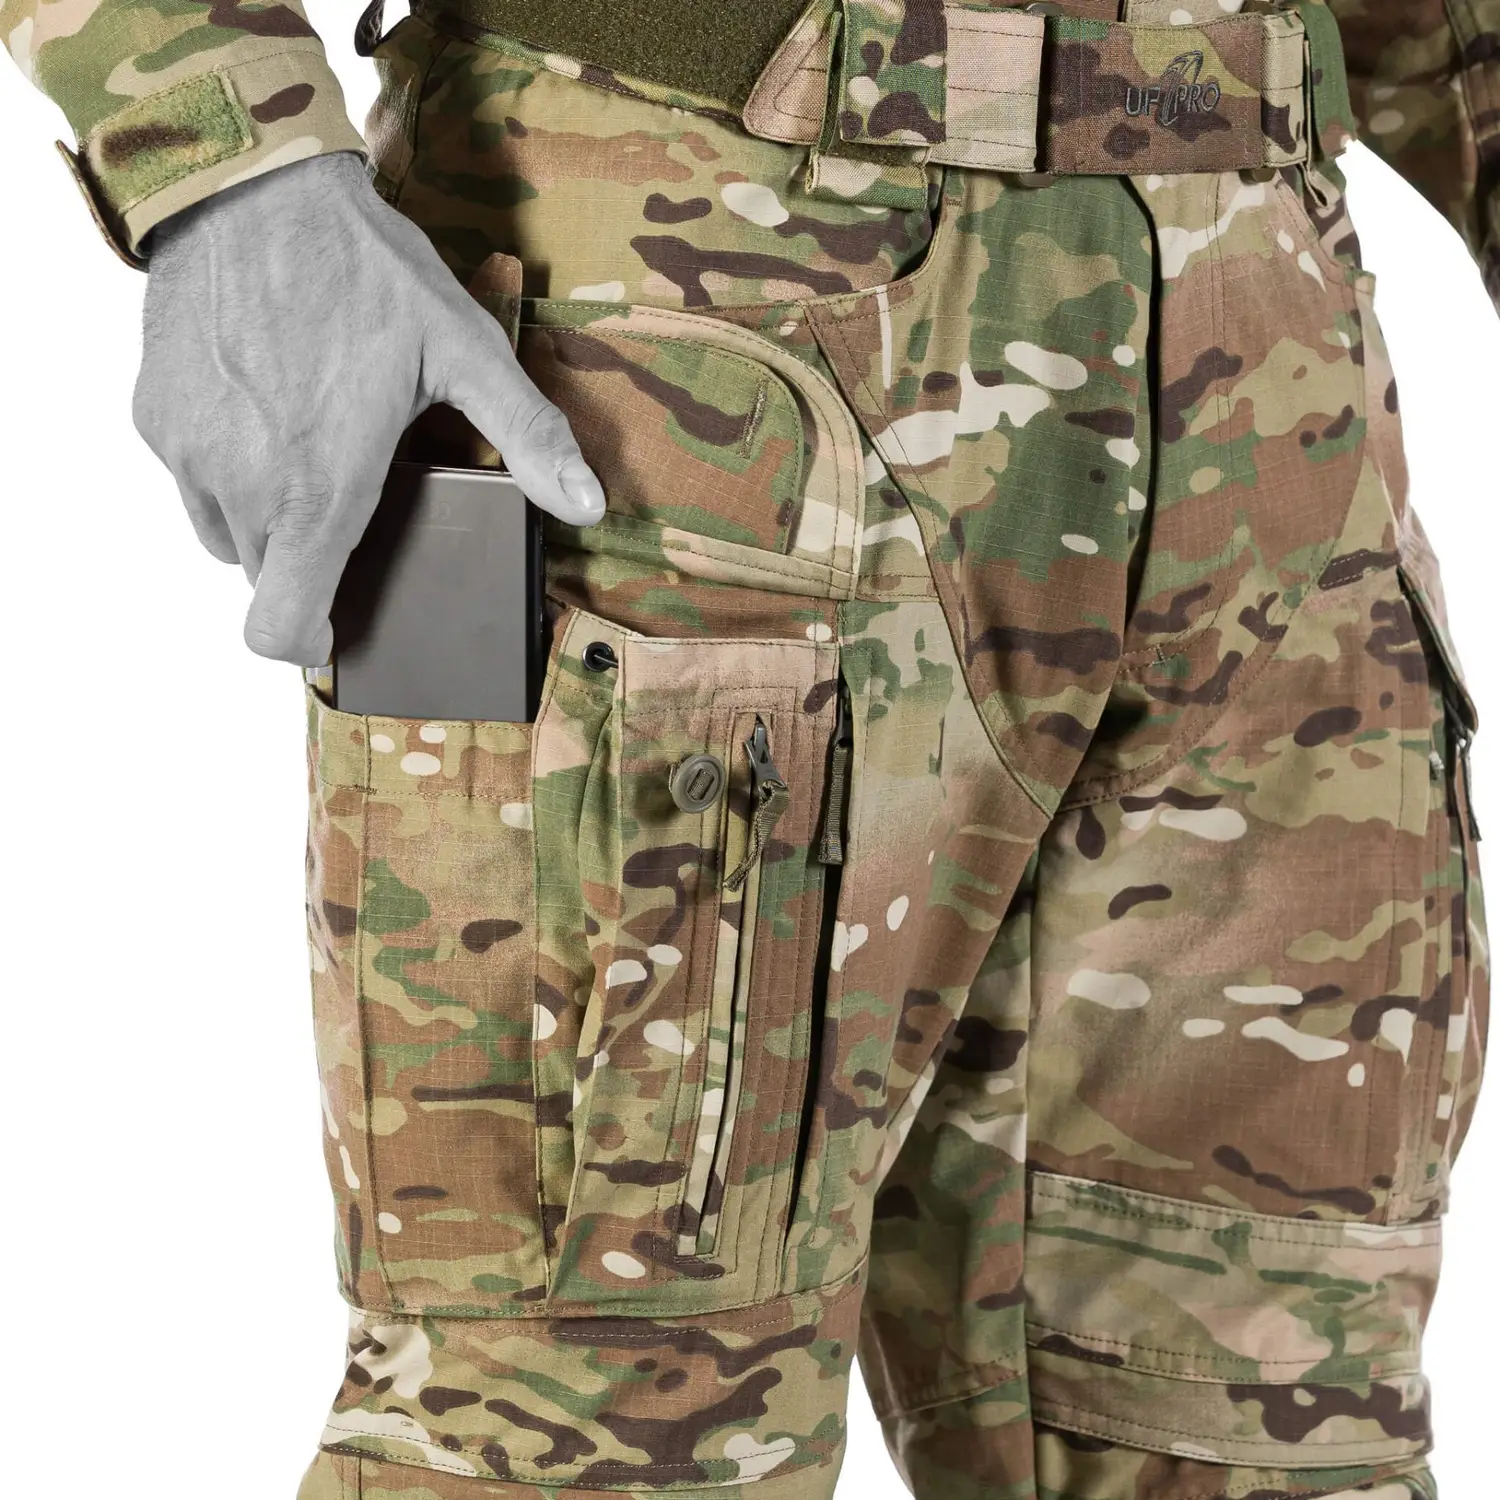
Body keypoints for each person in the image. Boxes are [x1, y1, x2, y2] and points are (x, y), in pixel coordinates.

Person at [5, 2, 1494, 1496]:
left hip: (1278, 401)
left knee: (1259, 1424)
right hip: (684, 353)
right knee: (593, 1425)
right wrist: (222, 156)